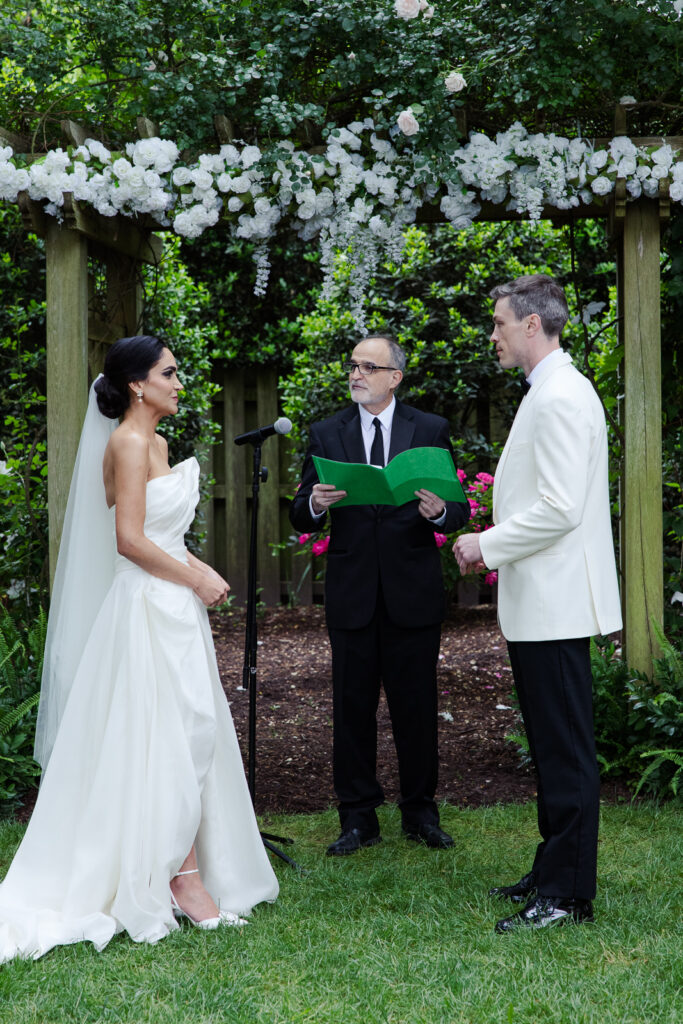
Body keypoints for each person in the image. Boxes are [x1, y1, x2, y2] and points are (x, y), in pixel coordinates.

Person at [0, 335, 278, 961]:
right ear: (136, 384)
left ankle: (185, 868)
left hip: (174, 608)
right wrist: (196, 577)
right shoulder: (127, 444)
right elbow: (128, 540)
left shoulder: (158, 442)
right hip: (146, 611)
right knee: (167, 736)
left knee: (191, 733)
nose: (180, 384)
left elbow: (161, 532)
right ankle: (183, 881)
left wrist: (198, 571)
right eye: (170, 374)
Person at [453, 275, 622, 932]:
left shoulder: (557, 398)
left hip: (555, 603)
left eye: (498, 322)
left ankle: (565, 894)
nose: (492, 334)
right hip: (544, 601)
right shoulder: (552, 390)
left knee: (565, 750)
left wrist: (484, 543)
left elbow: (557, 508)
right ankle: (553, 864)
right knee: (554, 744)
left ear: (531, 325)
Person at [290, 335, 470, 856]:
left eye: (370, 367)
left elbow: (457, 511)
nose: (356, 374)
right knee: (352, 709)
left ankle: (420, 812)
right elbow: (300, 511)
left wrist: (438, 512)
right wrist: (317, 505)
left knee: (417, 707)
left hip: (411, 592)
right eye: (352, 366)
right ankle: (357, 818)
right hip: (352, 593)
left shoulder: (429, 429)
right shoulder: (327, 433)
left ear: (395, 377)